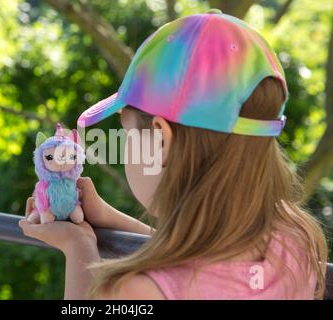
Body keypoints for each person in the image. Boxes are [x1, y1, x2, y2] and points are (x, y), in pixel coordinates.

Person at [19, 10, 327, 300]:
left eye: (127, 134)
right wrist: (112, 221)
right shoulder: (295, 240)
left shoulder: (135, 292)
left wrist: (79, 248)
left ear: (161, 140)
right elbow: (202, 263)